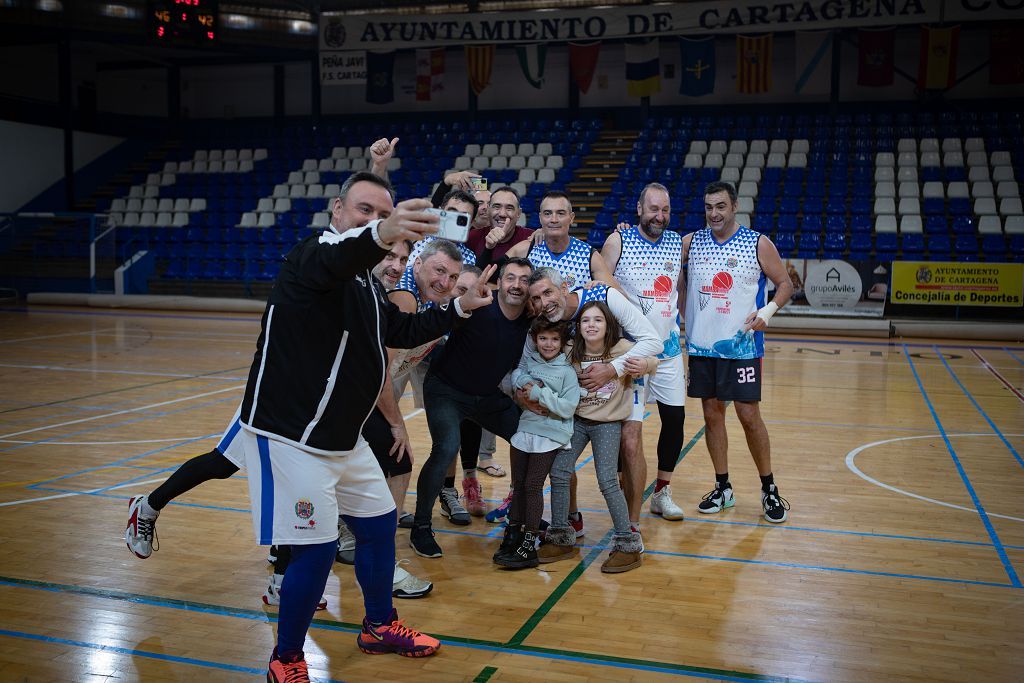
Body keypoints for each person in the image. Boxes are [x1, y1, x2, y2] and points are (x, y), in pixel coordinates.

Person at [236, 170, 495, 680]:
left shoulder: (366, 285)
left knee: (378, 526)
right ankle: (286, 657)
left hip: (340, 435)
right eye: (365, 211)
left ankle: (378, 625)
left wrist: (458, 307)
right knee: (315, 548)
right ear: (337, 210)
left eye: (383, 215)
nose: (375, 223)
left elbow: (403, 327)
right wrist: (382, 232)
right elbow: (341, 255)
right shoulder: (312, 257)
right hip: (292, 437)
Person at [680, 181, 793, 525]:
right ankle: (723, 487)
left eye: (720, 206)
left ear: (734, 206)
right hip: (702, 348)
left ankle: (769, 487)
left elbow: (785, 284)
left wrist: (767, 312)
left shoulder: (757, 242)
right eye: (709, 207)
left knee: (748, 416)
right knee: (712, 416)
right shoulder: (690, 242)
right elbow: (659, 256)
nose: (714, 213)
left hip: (743, 348)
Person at [409, 257, 535, 559]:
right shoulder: (476, 307)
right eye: (510, 278)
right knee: (446, 448)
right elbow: (439, 316)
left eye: (524, 280)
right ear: (499, 283)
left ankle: (520, 515)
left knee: (530, 438)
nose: (516, 285)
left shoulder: (529, 322)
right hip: (446, 391)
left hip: (486, 396)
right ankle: (421, 527)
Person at [538, 300, 650, 573]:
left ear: (608, 325)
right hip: (576, 422)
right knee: (559, 471)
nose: (591, 325)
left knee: (607, 480)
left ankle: (627, 542)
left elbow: (653, 357)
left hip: (607, 425)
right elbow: (545, 349)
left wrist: (645, 365)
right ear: (578, 326)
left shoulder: (621, 349)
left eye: (598, 320)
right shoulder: (571, 349)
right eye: (586, 320)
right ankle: (561, 534)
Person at [601, 182, 687, 524]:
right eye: (653, 209)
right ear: (639, 209)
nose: (659, 216)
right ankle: (626, 490)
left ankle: (661, 492)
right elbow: (603, 282)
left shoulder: (678, 243)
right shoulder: (617, 240)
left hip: (668, 351)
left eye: (665, 210)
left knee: (675, 420)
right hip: (631, 351)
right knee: (628, 428)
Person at [493, 318, 580, 569]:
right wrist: (523, 383)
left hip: (551, 433)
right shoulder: (530, 363)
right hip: (526, 429)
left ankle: (529, 543)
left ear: (563, 343)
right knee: (517, 485)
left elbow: (567, 408)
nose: (549, 344)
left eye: (554, 339)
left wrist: (539, 393)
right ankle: (513, 533)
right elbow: (518, 373)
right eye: (543, 339)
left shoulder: (567, 372)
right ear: (535, 340)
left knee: (533, 485)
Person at [501, 190, 616, 291]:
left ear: (571, 218)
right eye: (548, 213)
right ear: (540, 218)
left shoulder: (589, 256)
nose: (554, 219)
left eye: (560, 213)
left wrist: (601, 289)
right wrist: (489, 246)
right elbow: (491, 278)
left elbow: (620, 296)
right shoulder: (525, 249)